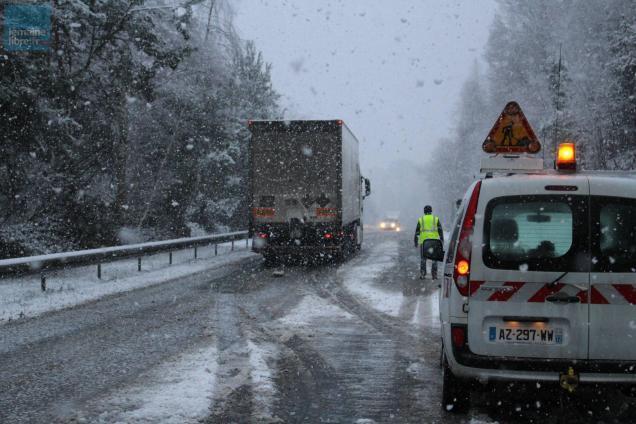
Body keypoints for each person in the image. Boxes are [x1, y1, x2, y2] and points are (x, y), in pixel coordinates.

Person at [414, 205, 444, 280]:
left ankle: (423, 274)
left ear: (424, 211)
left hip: (424, 242)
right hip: (434, 241)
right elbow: (440, 230)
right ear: (431, 211)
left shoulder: (421, 219)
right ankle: (434, 275)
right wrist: (442, 240)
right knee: (434, 259)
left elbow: (417, 232)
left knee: (423, 259)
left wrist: (416, 242)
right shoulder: (435, 219)